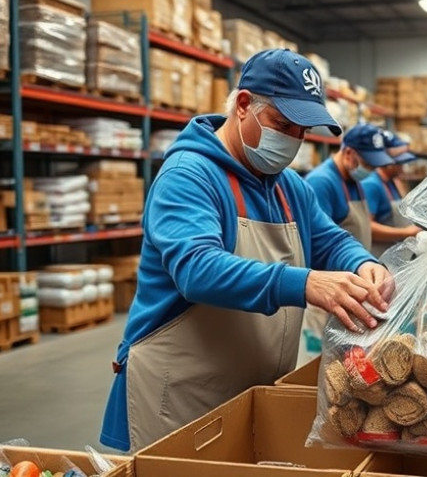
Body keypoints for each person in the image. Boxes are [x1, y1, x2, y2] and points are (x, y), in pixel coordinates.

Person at [100, 49, 394, 453]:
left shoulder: (289, 186)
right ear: (243, 105)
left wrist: (363, 264)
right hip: (184, 398)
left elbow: (331, 240)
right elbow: (198, 269)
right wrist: (305, 283)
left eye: (302, 132)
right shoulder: (189, 175)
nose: (292, 141)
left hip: (250, 387)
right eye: (282, 124)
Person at [301, 124, 395, 364]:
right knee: (321, 366)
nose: (371, 170)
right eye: (367, 162)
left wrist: (363, 262)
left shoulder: (355, 182)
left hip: (352, 291)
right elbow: (321, 241)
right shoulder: (322, 182)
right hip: (326, 298)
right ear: (349, 153)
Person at [361, 129, 422, 257]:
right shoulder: (372, 185)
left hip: (396, 256)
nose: (402, 167)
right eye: (399, 163)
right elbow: (367, 228)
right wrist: (405, 232)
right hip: (379, 257)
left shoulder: (391, 182)